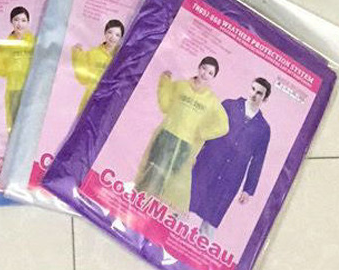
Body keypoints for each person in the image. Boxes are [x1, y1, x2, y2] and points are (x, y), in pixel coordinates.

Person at [134, 56, 228, 215]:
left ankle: (149, 212)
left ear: (213, 77)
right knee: (152, 171)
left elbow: (223, 126)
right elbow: (165, 106)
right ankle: (135, 203)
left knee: (169, 179)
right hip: (167, 135)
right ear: (199, 67)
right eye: (204, 68)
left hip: (185, 145)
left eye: (210, 73)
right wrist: (164, 83)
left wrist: (201, 132)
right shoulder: (181, 86)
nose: (205, 74)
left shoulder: (211, 101)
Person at [190, 77, 272, 237]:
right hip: (207, 164)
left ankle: (200, 246)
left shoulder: (263, 128)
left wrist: (248, 190)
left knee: (211, 220)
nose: (254, 94)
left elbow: (258, 160)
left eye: (259, 93)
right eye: (253, 89)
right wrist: (193, 155)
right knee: (185, 202)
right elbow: (207, 130)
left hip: (231, 177)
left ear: (265, 99)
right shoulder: (229, 106)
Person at [0, 6, 35, 134]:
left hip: (32, 89)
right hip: (14, 89)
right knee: (15, 125)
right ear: (11, 21)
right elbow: (2, 70)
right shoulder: (6, 45)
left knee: (31, 124)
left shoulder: (35, 42)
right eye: (16, 19)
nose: (19, 24)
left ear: (28, 22)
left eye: (23, 20)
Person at [71, 19, 125, 115]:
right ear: (105, 33)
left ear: (121, 38)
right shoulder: (93, 53)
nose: (113, 37)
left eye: (117, 35)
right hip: (90, 99)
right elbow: (83, 79)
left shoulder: (122, 57)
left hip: (110, 102)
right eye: (110, 32)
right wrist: (76, 54)